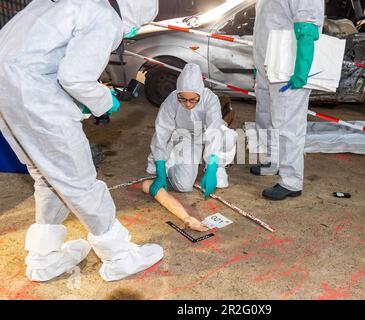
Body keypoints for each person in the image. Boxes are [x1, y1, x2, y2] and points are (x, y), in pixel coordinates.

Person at [0, 0, 162, 282]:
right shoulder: (105, 16)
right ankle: (120, 255)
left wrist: (78, 101)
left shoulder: (65, 3)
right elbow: (74, 77)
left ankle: (44, 257)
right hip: (35, 97)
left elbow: (42, 58)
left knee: (47, 175)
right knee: (79, 180)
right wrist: (103, 102)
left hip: (7, 94)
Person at [250, 0, 324, 200]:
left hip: (288, 67)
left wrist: (301, 69)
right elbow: (266, 25)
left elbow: (308, 25)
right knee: (266, 116)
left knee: (287, 125)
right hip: (268, 65)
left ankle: (291, 181)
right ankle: (273, 161)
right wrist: (257, 63)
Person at [146, 63, 237, 200]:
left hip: (206, 133)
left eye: (193, 99)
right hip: (185, 138)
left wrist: (212, 166)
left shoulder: (210, 98)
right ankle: (170, 163)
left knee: (228, 137)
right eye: (183, 99)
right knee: (183, 186)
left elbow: (213, 131)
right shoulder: (171, 100)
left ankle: (217, 167)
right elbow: (161, 132)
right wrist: (160, 169)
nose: (188, 104)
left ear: (200, 93)